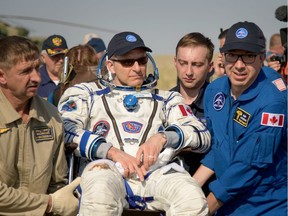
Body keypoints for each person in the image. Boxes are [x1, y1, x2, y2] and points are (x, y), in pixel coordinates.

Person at [58, 31, 211, 215]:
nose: (137, 68)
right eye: (127, 62)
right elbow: (65, 128)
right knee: (99, 196)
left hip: (155, 173)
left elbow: (201, 134)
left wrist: (162, 138)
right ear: (111, 65)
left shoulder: (166, 99)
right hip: (105, 169)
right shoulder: (85, 94)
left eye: (142, 60)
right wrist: (110, 152)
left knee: (191, 198)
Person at [193, 21, 287, 215]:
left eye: (249, 56)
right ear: (222, 57)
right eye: (232, 55)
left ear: (262, 58)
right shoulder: (214, 91)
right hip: (226, 204)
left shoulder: (272, 103)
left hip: (264, 207)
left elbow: (249, 165)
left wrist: (201, 210)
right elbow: (218, 147)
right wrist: (190, 187)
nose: (239, 65)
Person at [0, 36, 80, 215]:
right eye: (25, 71)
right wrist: (50, 203)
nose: (36, 77)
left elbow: (57, 183)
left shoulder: (51, 116)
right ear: (1, 76)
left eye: (37, 68)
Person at [170, 32, 215, 196]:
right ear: (175, 62)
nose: (188, 71)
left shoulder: (220, 106)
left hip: (208, 197)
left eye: (197, 64)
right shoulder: (162, 103)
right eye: (183, 63)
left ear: (210, 67)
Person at [37, 34, 68, 99]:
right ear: (43, 58)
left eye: (63, 55)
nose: (61, 60)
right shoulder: (35, 80)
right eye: (55, 56)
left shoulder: (74, 79)